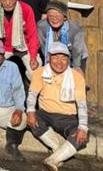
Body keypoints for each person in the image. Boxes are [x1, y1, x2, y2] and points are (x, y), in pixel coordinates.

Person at [27, 42, 89, 171]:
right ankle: (58, 148)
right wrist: (31, 112)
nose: (59, 62)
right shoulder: (40, 72)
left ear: (68, 59)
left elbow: (82, 104)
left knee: (82, 136)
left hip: (68, 117)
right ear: (49, 57)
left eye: (64, 58)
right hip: (45, 114)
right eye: (55, 57)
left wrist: (83, 127)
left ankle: (53, 160)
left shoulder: (76, 76)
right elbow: (32, 95)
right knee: (30, 119)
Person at [38, 0, 88, 71]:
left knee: (76, 76)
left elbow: (77, 52)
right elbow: (43, 47)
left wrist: (75, 69)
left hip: (75, 56)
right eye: (51, 16)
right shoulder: (42, 26)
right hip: (52, 56)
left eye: (58, 16)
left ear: (65, 17)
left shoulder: (76, 29)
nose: (54, 19)